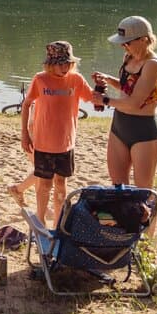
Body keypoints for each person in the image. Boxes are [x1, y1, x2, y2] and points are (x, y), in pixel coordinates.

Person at [20, 41, 97, 226]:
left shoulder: (76, 79)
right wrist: (24, 133)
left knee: (61, 185)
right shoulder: (40, 79)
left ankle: (58, 224)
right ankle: (40, 222)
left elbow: (93, 98)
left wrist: (103, 86)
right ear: (50, 63)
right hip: (43, 142)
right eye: (60, 63)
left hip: (66, 143)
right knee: (44, 185)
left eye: (68, 63)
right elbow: (27, 104)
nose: (65, 67)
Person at [91, 15, 157, 190]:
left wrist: (105, 100)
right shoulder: (128, 58)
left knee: (143, 193)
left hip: (143, 130)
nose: (123, 46)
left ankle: (149, 219)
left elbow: (134, 103)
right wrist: (108, 80)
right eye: (122, 43)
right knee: (118, 188)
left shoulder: (153, 65)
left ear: (144, 40)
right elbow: (128, 88)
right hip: (120, 126)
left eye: (127, 42)